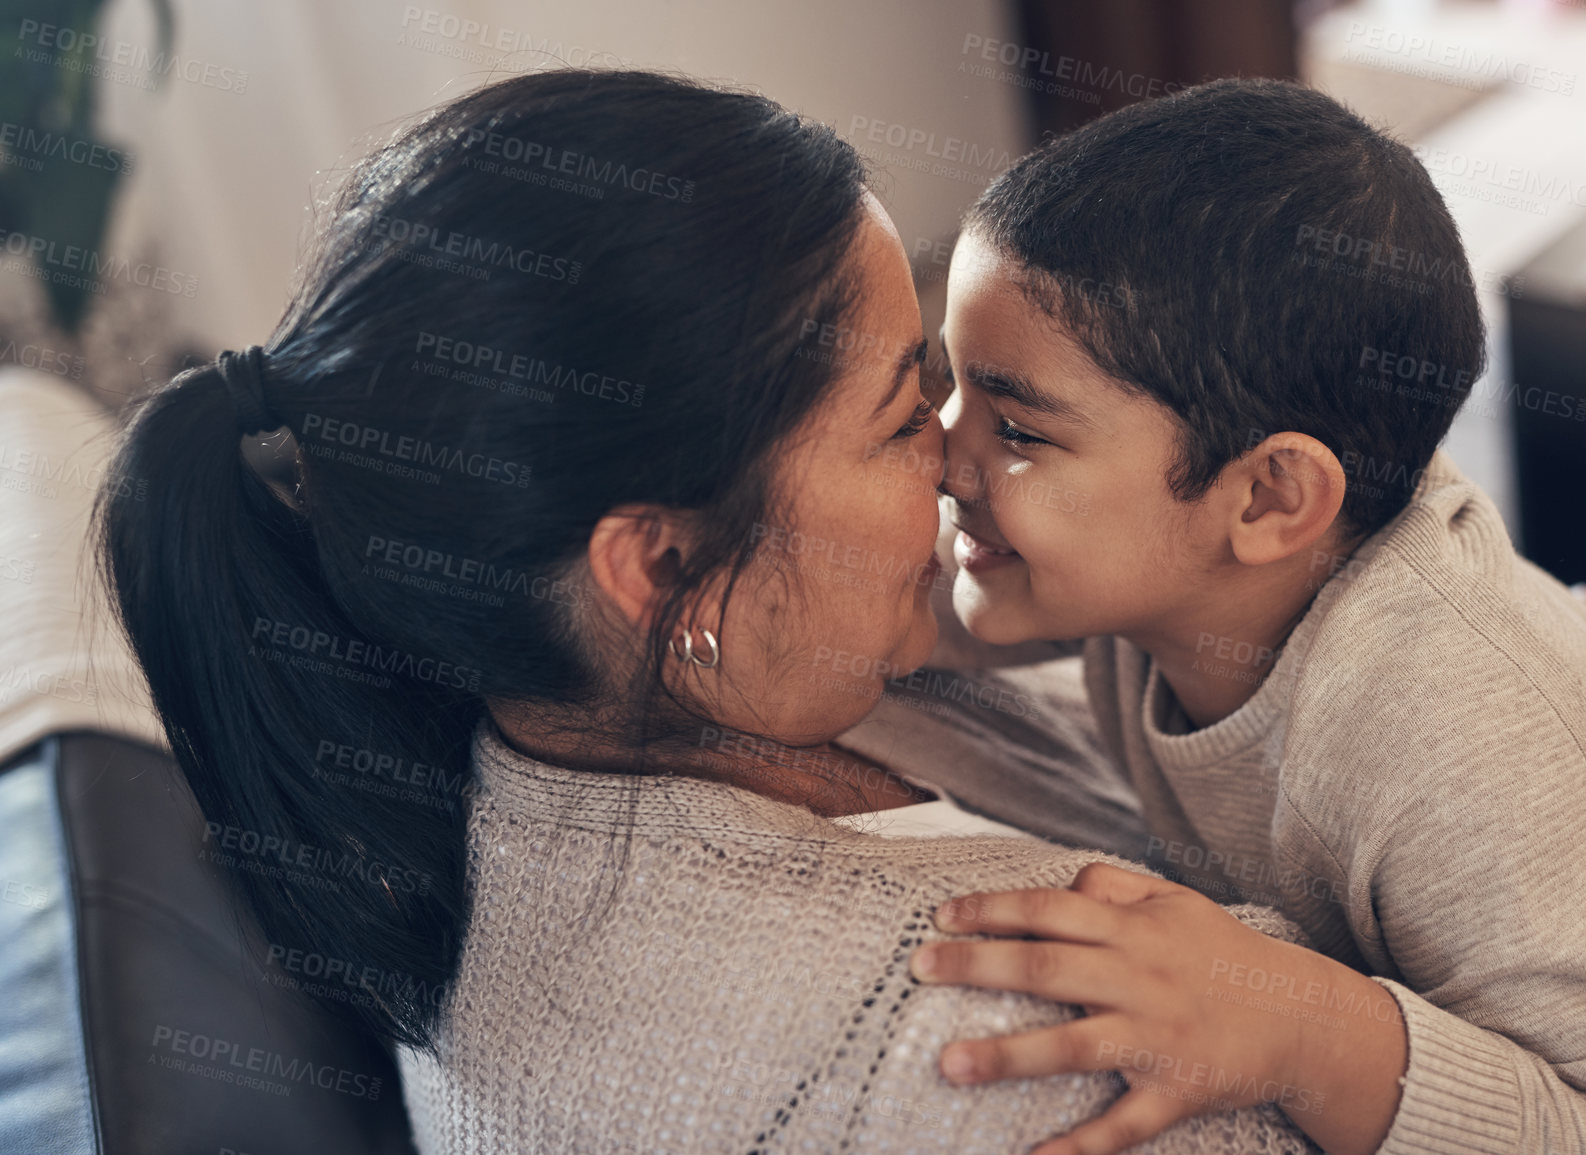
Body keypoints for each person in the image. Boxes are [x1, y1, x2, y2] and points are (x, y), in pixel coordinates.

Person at [93, 68, 1335, 1154]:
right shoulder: (991, 1062)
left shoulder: (555, 721)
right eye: (905, 416)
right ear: (663, 566)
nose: (960, 463)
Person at [836, 78, 1586, 1155]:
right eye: (949, 391)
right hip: (1580, 667)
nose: (943, 454)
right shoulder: (1154, 554)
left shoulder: (1453, 767)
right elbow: (897, 602)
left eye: (1016, 426)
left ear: (1267, 499)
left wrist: (1306, 1028)